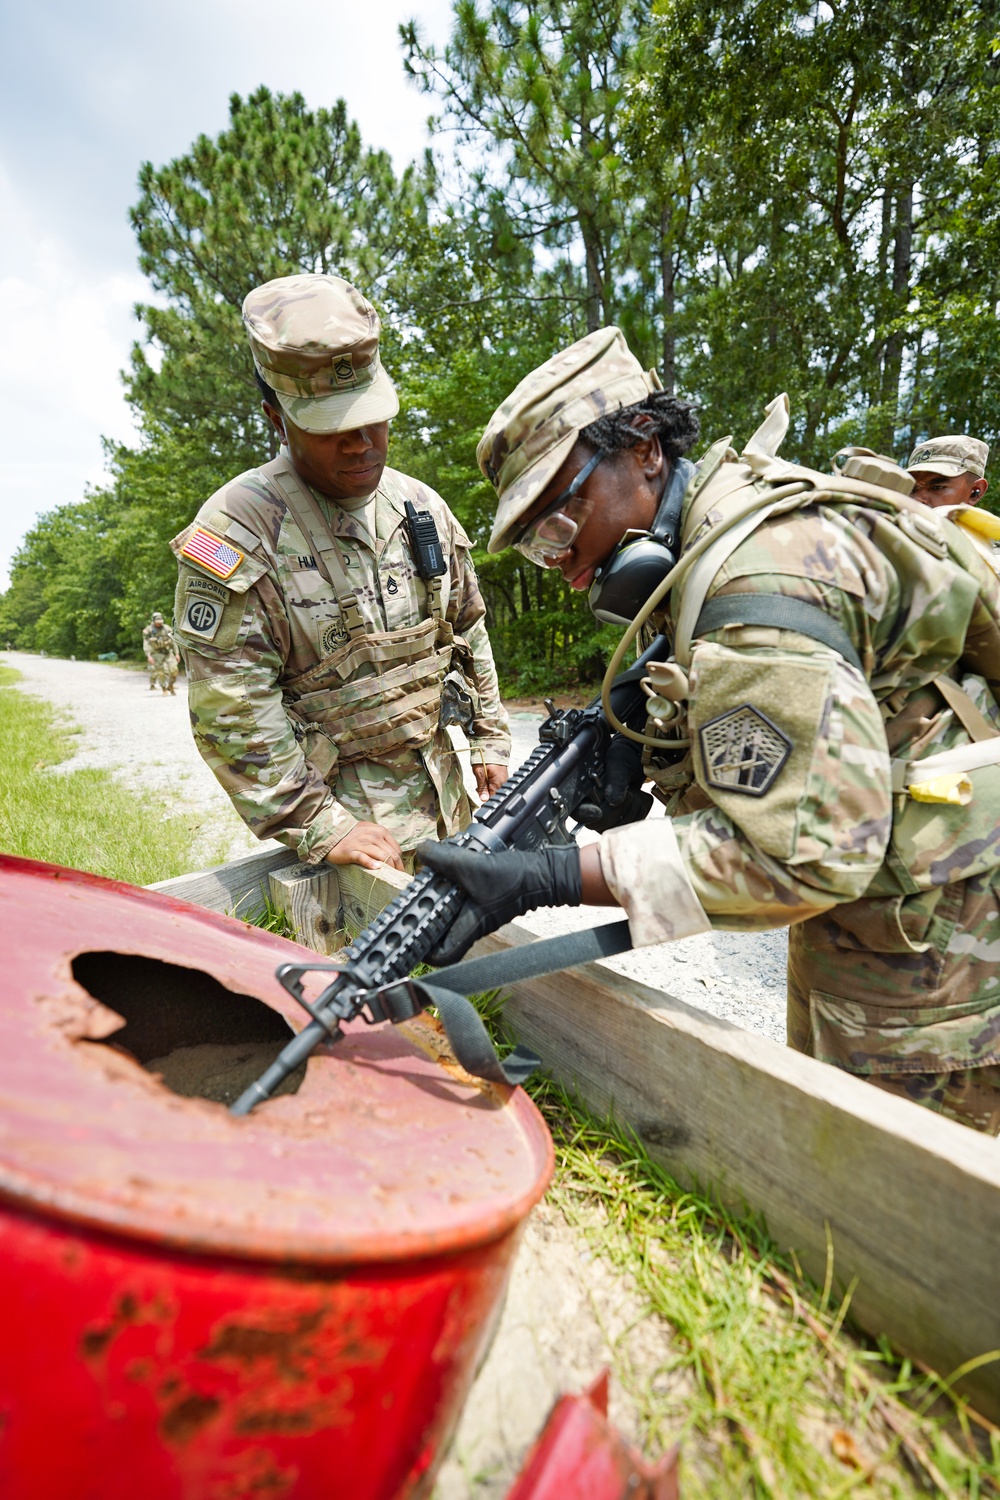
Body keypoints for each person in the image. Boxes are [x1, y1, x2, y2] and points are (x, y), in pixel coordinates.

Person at [419, 327, 1000, 1134]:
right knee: (824, 1140)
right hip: (879, 897)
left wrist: (549, 876)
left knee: (899, 1209)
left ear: (646, 450)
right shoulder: (713, 530)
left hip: (937, 939)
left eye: (562, 517)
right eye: (539, 545)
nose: (563, 559)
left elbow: (798, 855)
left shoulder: (756, 578)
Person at [171, 272, 509, 874]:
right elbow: (232, 706)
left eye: (371, 416)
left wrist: (488, 737)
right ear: (277, 419)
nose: (360, 442)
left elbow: (468, 629)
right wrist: (319, 824)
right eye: (329, 426)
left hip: (451, 808)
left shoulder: (421, 508)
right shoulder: (240, 530)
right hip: (349, 839)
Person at [142, 613, 178, 695]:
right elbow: (146, 644)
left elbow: (173, 641)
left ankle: (170, 685)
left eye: (161, 621)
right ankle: (164, 688)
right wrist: (148, 656)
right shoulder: (148, 630)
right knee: (161, 672)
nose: (159, 623)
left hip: (168, 653)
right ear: (153, 621)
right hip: (156, 653)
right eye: (157, 622)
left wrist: (177, 653)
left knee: (174, 670)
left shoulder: (167, 628)